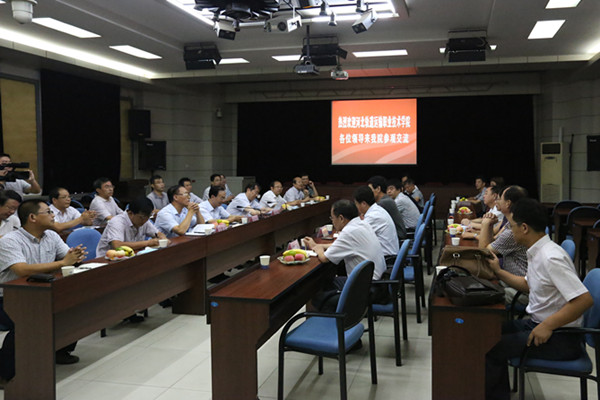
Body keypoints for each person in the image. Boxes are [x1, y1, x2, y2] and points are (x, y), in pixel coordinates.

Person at [485, 198, 593, 400]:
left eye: (512, 226)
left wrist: (548, 326)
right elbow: (529, 284)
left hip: (561, 337)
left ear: (524, 228)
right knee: (488, 334)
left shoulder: (551, 257)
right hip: (539, 324)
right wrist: (498, 272)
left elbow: (584, 300)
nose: (510, 230)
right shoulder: (537, 251)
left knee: (491, 349)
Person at [0, 200, 87, 379]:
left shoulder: (52, 236)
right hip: (9, 297)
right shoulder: (10, 240)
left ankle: (60, 351)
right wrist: (63, 262)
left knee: (72, 307)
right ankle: (4, 372)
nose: (53, 215)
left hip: (41, 292)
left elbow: (67, 257)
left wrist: (75, 256)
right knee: (27, 322)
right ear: (32, 217)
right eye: (48, 212)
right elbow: (21, 270)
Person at [303, 199, 386, 284]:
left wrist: (317, 249)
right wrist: (320, 245)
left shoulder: (349, 232)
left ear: (341, 218)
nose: (332, 221)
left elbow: (324, 258)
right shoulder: (362, 223)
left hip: (366, 284)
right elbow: (342, 245)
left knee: (323, 283)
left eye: (332, 218)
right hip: (377, 279)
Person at [479, 185, 529, 304]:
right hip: (510, 280)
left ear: (508, 203)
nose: (497, 201)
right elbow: (493, 243)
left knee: (479, 294)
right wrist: (490, 225)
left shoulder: (514, 231)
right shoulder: (513, 222)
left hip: (521, 291)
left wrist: (485, 224)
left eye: (499, 198)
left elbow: (483, 252)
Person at [96, 196, 167, 258]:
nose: (145, 221)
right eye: (142, 217)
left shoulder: (144, 220)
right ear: (130, 213)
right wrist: (147, 243)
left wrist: (162, 238)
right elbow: (117, 245)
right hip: (107, 260)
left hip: (131, 257)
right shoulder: (117, 222)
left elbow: (158, 233)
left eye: (148, 217)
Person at [353, 186, 399, 258]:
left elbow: (356, 237)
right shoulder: (377, 210)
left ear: (363, 204)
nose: (356, 207)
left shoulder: (373, 216)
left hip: (387, 258)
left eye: (356, 204)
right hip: (387, 254)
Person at [367, 176, 407, 241]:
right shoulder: (386, 199)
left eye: (370, 189)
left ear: (378, 189)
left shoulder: (383, 203)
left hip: (398, 236)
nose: (368, 193)